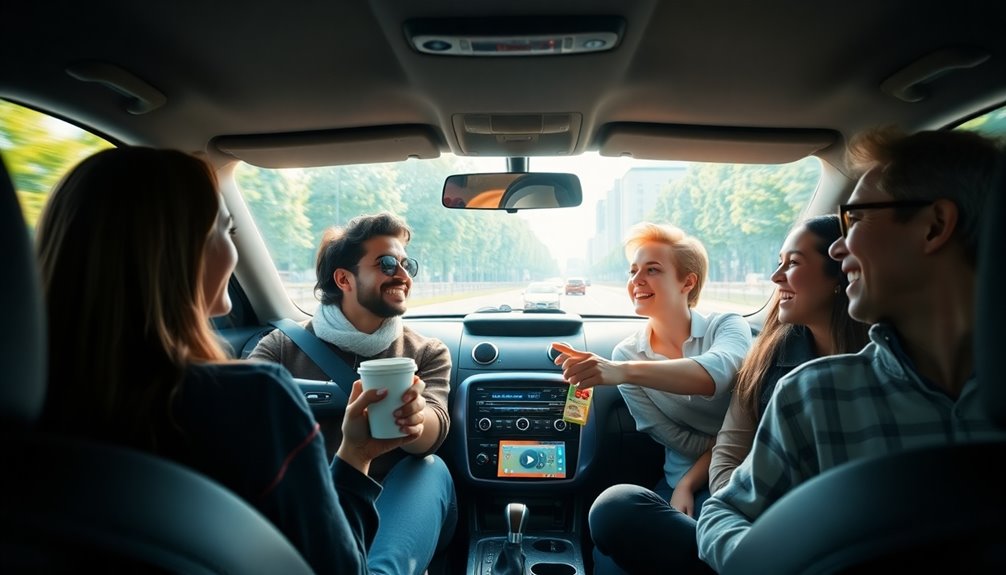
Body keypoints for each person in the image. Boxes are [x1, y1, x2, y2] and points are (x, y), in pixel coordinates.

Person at [35, 147, 422, 574]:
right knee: (430, 476)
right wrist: (356, 454)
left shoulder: (31, 410)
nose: (233, 249)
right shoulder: (253, 399)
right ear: (182, 251)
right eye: (227, 230)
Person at [696, 128, 1006, 573]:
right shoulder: (811, 395)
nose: (838, 247)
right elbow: (724, 512)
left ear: (935, 225)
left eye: (855, 219)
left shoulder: (814, 393)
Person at [249, 211, 456, 575]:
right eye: (388, 263)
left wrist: (414, 416)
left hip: (394, 505)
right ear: (344, 278)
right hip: (305, 508)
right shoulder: (281, 348)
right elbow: (240, 419)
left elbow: (432, 434)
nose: (403, 275)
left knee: (428, 467)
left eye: (408, 264)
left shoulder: (426, 351)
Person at [550, 222, 752, 575]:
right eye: (633, 271)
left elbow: (715, 375)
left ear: (687, 282)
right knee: (607, 558)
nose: (636, 280)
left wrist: (622, 371)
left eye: (652, 270)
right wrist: (687, 480)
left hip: (736, 474)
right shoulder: (627, 351)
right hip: (679, 479)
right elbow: (677, 440)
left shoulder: (727, 326)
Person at [709, 215, 871, 494]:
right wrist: (736, 515)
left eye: (793, 263)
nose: (775, 277)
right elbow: (727, 455)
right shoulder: (767, 355)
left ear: (841, 272)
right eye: (779, 263)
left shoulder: (882, 362)